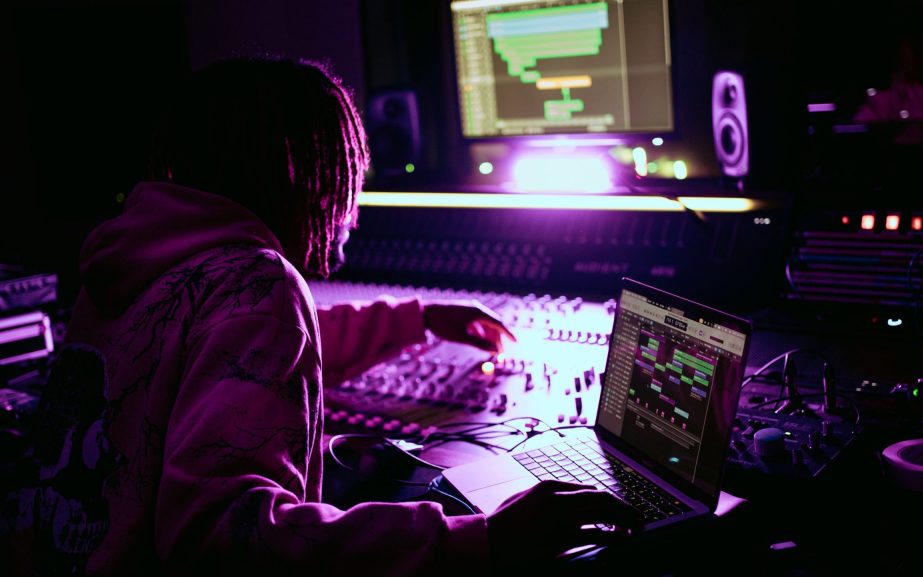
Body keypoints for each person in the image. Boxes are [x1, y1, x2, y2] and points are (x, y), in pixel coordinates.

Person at [0, 57, 638, 575]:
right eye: (345, 179)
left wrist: (419, 318)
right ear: (301, 179)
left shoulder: (136, 263)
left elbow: (234, 356)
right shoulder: (256, 280)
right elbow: (223, 537)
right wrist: (481, 541)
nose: (353, 209)